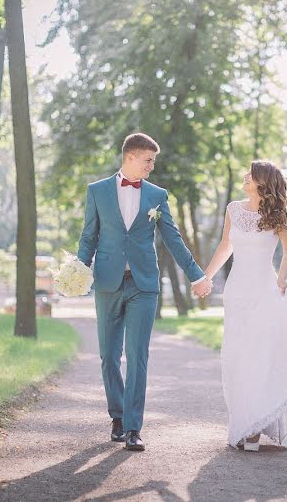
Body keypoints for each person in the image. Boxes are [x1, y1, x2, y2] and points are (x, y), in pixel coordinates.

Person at [76, 133, 212, 452]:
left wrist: (196, 274)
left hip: (143, 285)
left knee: (138, 356)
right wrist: (78, 272)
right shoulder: (97, 192)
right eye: (148, 161)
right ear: (131, 157)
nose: (152, 167)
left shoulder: (157, 195)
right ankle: (118, 417)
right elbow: (88, 237)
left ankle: (134, 427)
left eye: (154, 161)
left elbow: (173, 239)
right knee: (109, 356)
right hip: (108, 282)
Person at [202, 160, 287, 452]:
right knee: (236, 356)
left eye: (251, 174)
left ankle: (254, 427)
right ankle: (244, 421)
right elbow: (225, 247)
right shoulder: (233, 209)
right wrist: (206, 277)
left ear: (263, 182)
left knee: (257, 356)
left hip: (263, 292)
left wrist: (282, 280)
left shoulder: (278, 214)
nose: (245, 177)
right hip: (236, 293)